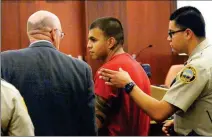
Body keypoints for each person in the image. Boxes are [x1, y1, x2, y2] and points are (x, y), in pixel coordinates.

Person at [98, 6, 212, 136]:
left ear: (187, 33)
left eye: (171, 33)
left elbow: (159, 113)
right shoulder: (208, 55)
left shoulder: (197, 67)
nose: (168, 39)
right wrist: (181, 121)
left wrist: (128, 84)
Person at [1, 10, 97, 136]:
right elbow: (88, 125)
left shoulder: (5, 61)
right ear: (53, 33)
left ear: (29, 33)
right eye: (61, 35)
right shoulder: (81, 69)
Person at [87, 17, 151, 136]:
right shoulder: (138, 67)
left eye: (93, 40)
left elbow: (93, 124)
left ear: (110, 42)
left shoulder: (107, 71)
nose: (88, 45)